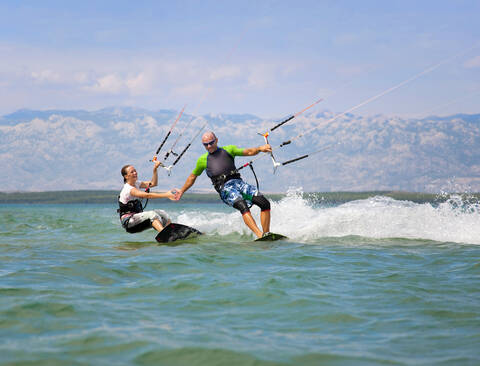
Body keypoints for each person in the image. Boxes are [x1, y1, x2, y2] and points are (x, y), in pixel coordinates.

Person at [174, 131, 272, 238]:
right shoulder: (202, 160)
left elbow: (248, 152)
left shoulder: (229, 149)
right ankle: (259, 235)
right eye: (205, 145)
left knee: (264, 203)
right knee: (242, 205)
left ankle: (266, 234)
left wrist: (260, 148)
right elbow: (192, 177)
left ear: (216, 140)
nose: (209, 146)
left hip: (239, 183)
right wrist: (182, 190)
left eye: (211, 143)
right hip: (225, 189)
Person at [118, 161, 176, 234]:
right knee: (152, 214)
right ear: (126, 176)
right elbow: (147, 195)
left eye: (135, 171)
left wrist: (155, 169)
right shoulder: (129, 189)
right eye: (132, 172)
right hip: (129, 222)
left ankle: (171, 232)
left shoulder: (137, 183)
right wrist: (167, 194)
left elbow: (154, 183)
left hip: (137, 218)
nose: (135, 173)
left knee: (163, 214)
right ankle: (164, 234)